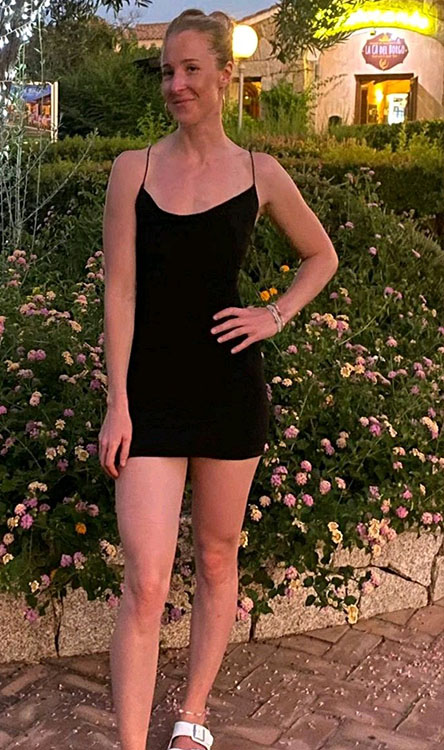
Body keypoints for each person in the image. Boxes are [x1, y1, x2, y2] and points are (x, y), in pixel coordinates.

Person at [99, 8, 339, 750]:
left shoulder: (259, 174)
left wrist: (274, 314)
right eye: (167, 71)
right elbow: (120, 292)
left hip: (229, 392)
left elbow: (322, 256)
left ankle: (193, 714)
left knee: (215, 555)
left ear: (225, 76)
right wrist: (117, 402)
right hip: (149, 397)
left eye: (190, 69)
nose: (175, 84)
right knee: (145, 581)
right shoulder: (133, 170)